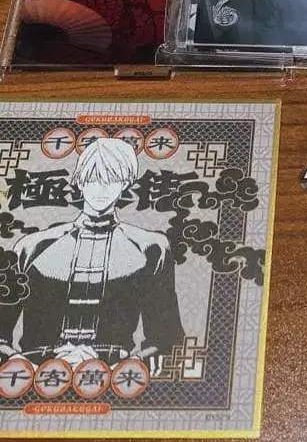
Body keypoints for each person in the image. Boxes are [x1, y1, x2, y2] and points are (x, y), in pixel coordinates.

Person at [0, 138, 185, 367]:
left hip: (115, 372)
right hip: (35, 371)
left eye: (112, 179)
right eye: (93, 178)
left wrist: (130, 366)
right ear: (80, 180)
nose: (101, 189)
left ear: (125, 183)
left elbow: (166, 337)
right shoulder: (31, 247)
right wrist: (19, 363)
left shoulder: (152, 248)